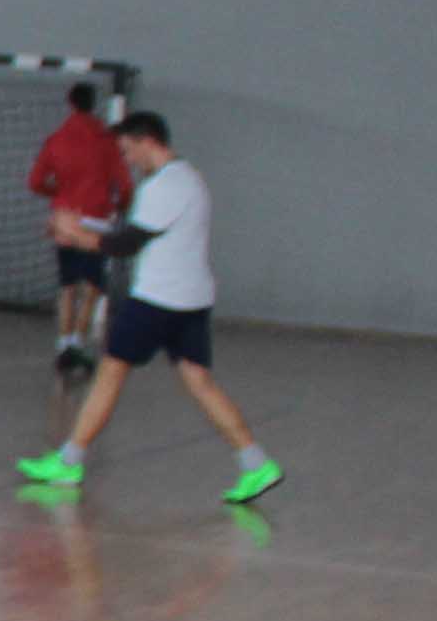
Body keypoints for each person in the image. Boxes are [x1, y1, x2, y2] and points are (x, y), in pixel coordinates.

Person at [17, 109, 284, 507]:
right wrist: (82, 231)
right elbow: (134, 232)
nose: (126, 159)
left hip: (159, 300)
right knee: (199, 381)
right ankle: (256, 463)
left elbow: (125, 244)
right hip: (191, 300)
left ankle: (69, 462)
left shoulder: (165, 186)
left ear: (147, 142)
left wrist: (75, 234)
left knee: (110, 372)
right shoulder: (187, 179)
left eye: (128, 150)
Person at [24, 75, 132, 383]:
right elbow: (125, 185)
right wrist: (118, 206)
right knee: (93, 286)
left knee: (67, 284)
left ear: (70, 104)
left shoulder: (56, 139)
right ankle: (79, 342)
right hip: (97, 219)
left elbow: (35, 181)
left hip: (64, 219)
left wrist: (57, 195)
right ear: (93, 104)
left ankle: (63, 343)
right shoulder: (106, 141)